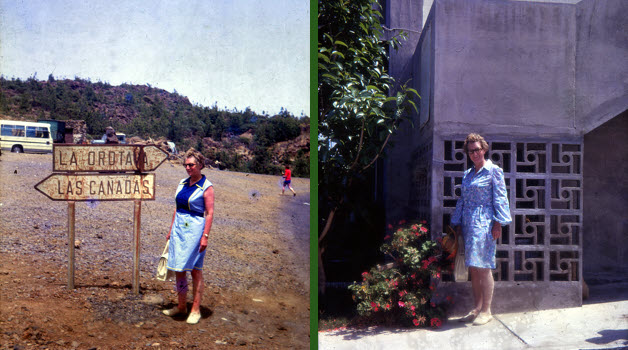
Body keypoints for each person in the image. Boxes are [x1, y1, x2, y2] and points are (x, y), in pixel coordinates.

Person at [451, 133, 512, 326]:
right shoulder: (467, 174)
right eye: (471, 151)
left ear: (484, 149)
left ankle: (487, 310)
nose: (474, 153)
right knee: (474, 268)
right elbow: (463, 199)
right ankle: (476, 308)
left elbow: (500, 198)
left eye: (477, 149)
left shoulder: (494, 171)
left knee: (484, 266)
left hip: (485, 222)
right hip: (468, 223)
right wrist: (457, 222)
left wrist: (498, 223)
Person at [163, 148, 215, 324]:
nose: (188, 168)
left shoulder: (206, 187)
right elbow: (177, 208)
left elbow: (209, 212)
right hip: (179, 229)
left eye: (191, 165)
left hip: (195, 231)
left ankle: (195, 309)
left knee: (195, 270)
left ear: (200, 165)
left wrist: (205, 236)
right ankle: (181, 305)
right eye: (186, 165)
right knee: (179, 268)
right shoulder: (182, 183)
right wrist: (171, 230)